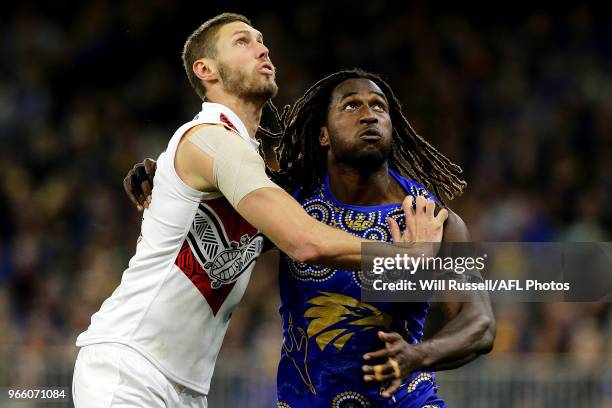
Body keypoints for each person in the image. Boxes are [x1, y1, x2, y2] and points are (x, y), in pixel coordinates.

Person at [73, 13, 445, 408]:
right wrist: (411, 261)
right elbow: (304, 242)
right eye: (242, 42)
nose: (262, 48)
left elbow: (483, 314)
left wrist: (424, 336)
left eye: (377, 106)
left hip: (183, 388)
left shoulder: (422, 212)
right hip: (128, 366)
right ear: (206, 70)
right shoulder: (210, 141)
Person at [126, 70, 495, 407]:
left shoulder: (434, 221)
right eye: (351, 105)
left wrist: (418, 355)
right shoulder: (290, 205)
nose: (369, 115)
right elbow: (212, 203)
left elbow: (480, 324)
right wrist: (170, 178)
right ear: (323, 134)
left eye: (379, 107)